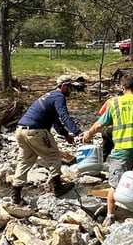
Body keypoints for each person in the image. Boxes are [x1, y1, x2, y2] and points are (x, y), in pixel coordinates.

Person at [79, 74, 133, 225]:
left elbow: (100, 124)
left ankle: (110, 215)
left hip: (121, 150)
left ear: (122, 87)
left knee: (115, 184)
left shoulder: (114, 103)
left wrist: (89, 133)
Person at [10, 75, 82, 205]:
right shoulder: (59, 97)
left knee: (24, 161)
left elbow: (55, 120)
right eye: (70, 87)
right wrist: (78, 132)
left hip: (21, 130)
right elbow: (64, 116)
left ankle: (15, 195)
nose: (71, 90)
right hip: (36, 131)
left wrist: (65, 134)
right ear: (64, 86)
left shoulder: (49, 96)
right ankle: (58, 188)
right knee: (54, 156)